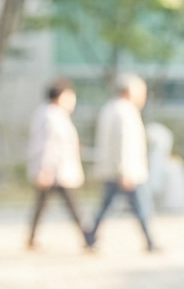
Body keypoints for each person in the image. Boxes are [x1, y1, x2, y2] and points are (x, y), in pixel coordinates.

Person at [85, 73, 158, 252]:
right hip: (127, 171)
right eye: (141, 93)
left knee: (106, 206)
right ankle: (149, 241)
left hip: (113, 168)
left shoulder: (110, 108)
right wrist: (125, 171)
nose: (143, 97)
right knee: (141, 207)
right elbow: (124, 143)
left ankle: (91, 235)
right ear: (129, 92)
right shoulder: (125, 112)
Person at [25, 79, 86, 249]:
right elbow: (49, 144)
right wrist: (46, 168)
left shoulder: (50, 114)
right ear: (61, 96)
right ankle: (88, 238)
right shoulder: (51, 116)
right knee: (72, 207)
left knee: (42, 206)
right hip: (56, 171)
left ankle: (32, 237)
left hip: (56, 169)